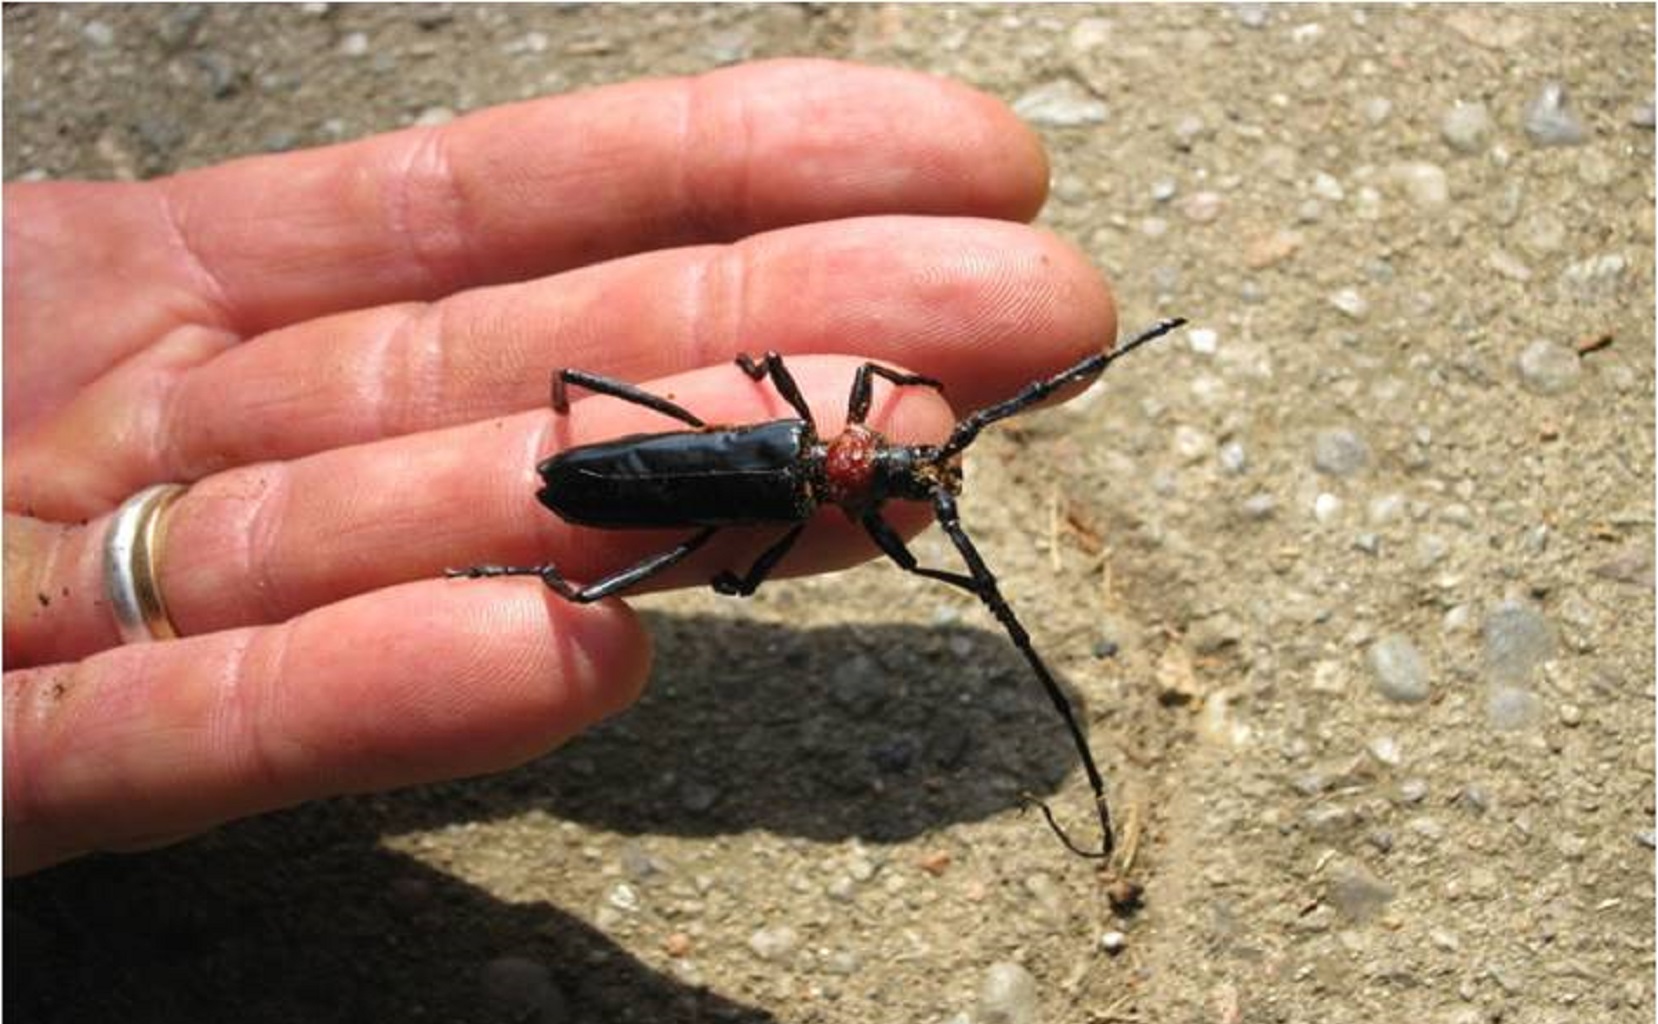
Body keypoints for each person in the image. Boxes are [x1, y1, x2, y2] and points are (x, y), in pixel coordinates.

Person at [3, 59, 1118, 875]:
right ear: (862, 461)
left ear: (862, 460)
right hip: (617, 476)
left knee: (652, 528)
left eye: (906, 472)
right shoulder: (799, 475)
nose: (913, 470)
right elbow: (771, 531)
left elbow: (784, 380)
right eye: (911, 467)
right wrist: (935, 566)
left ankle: (519, 570)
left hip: (637, 469)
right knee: (681, 558)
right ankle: (519, 572)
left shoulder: (801, 432)